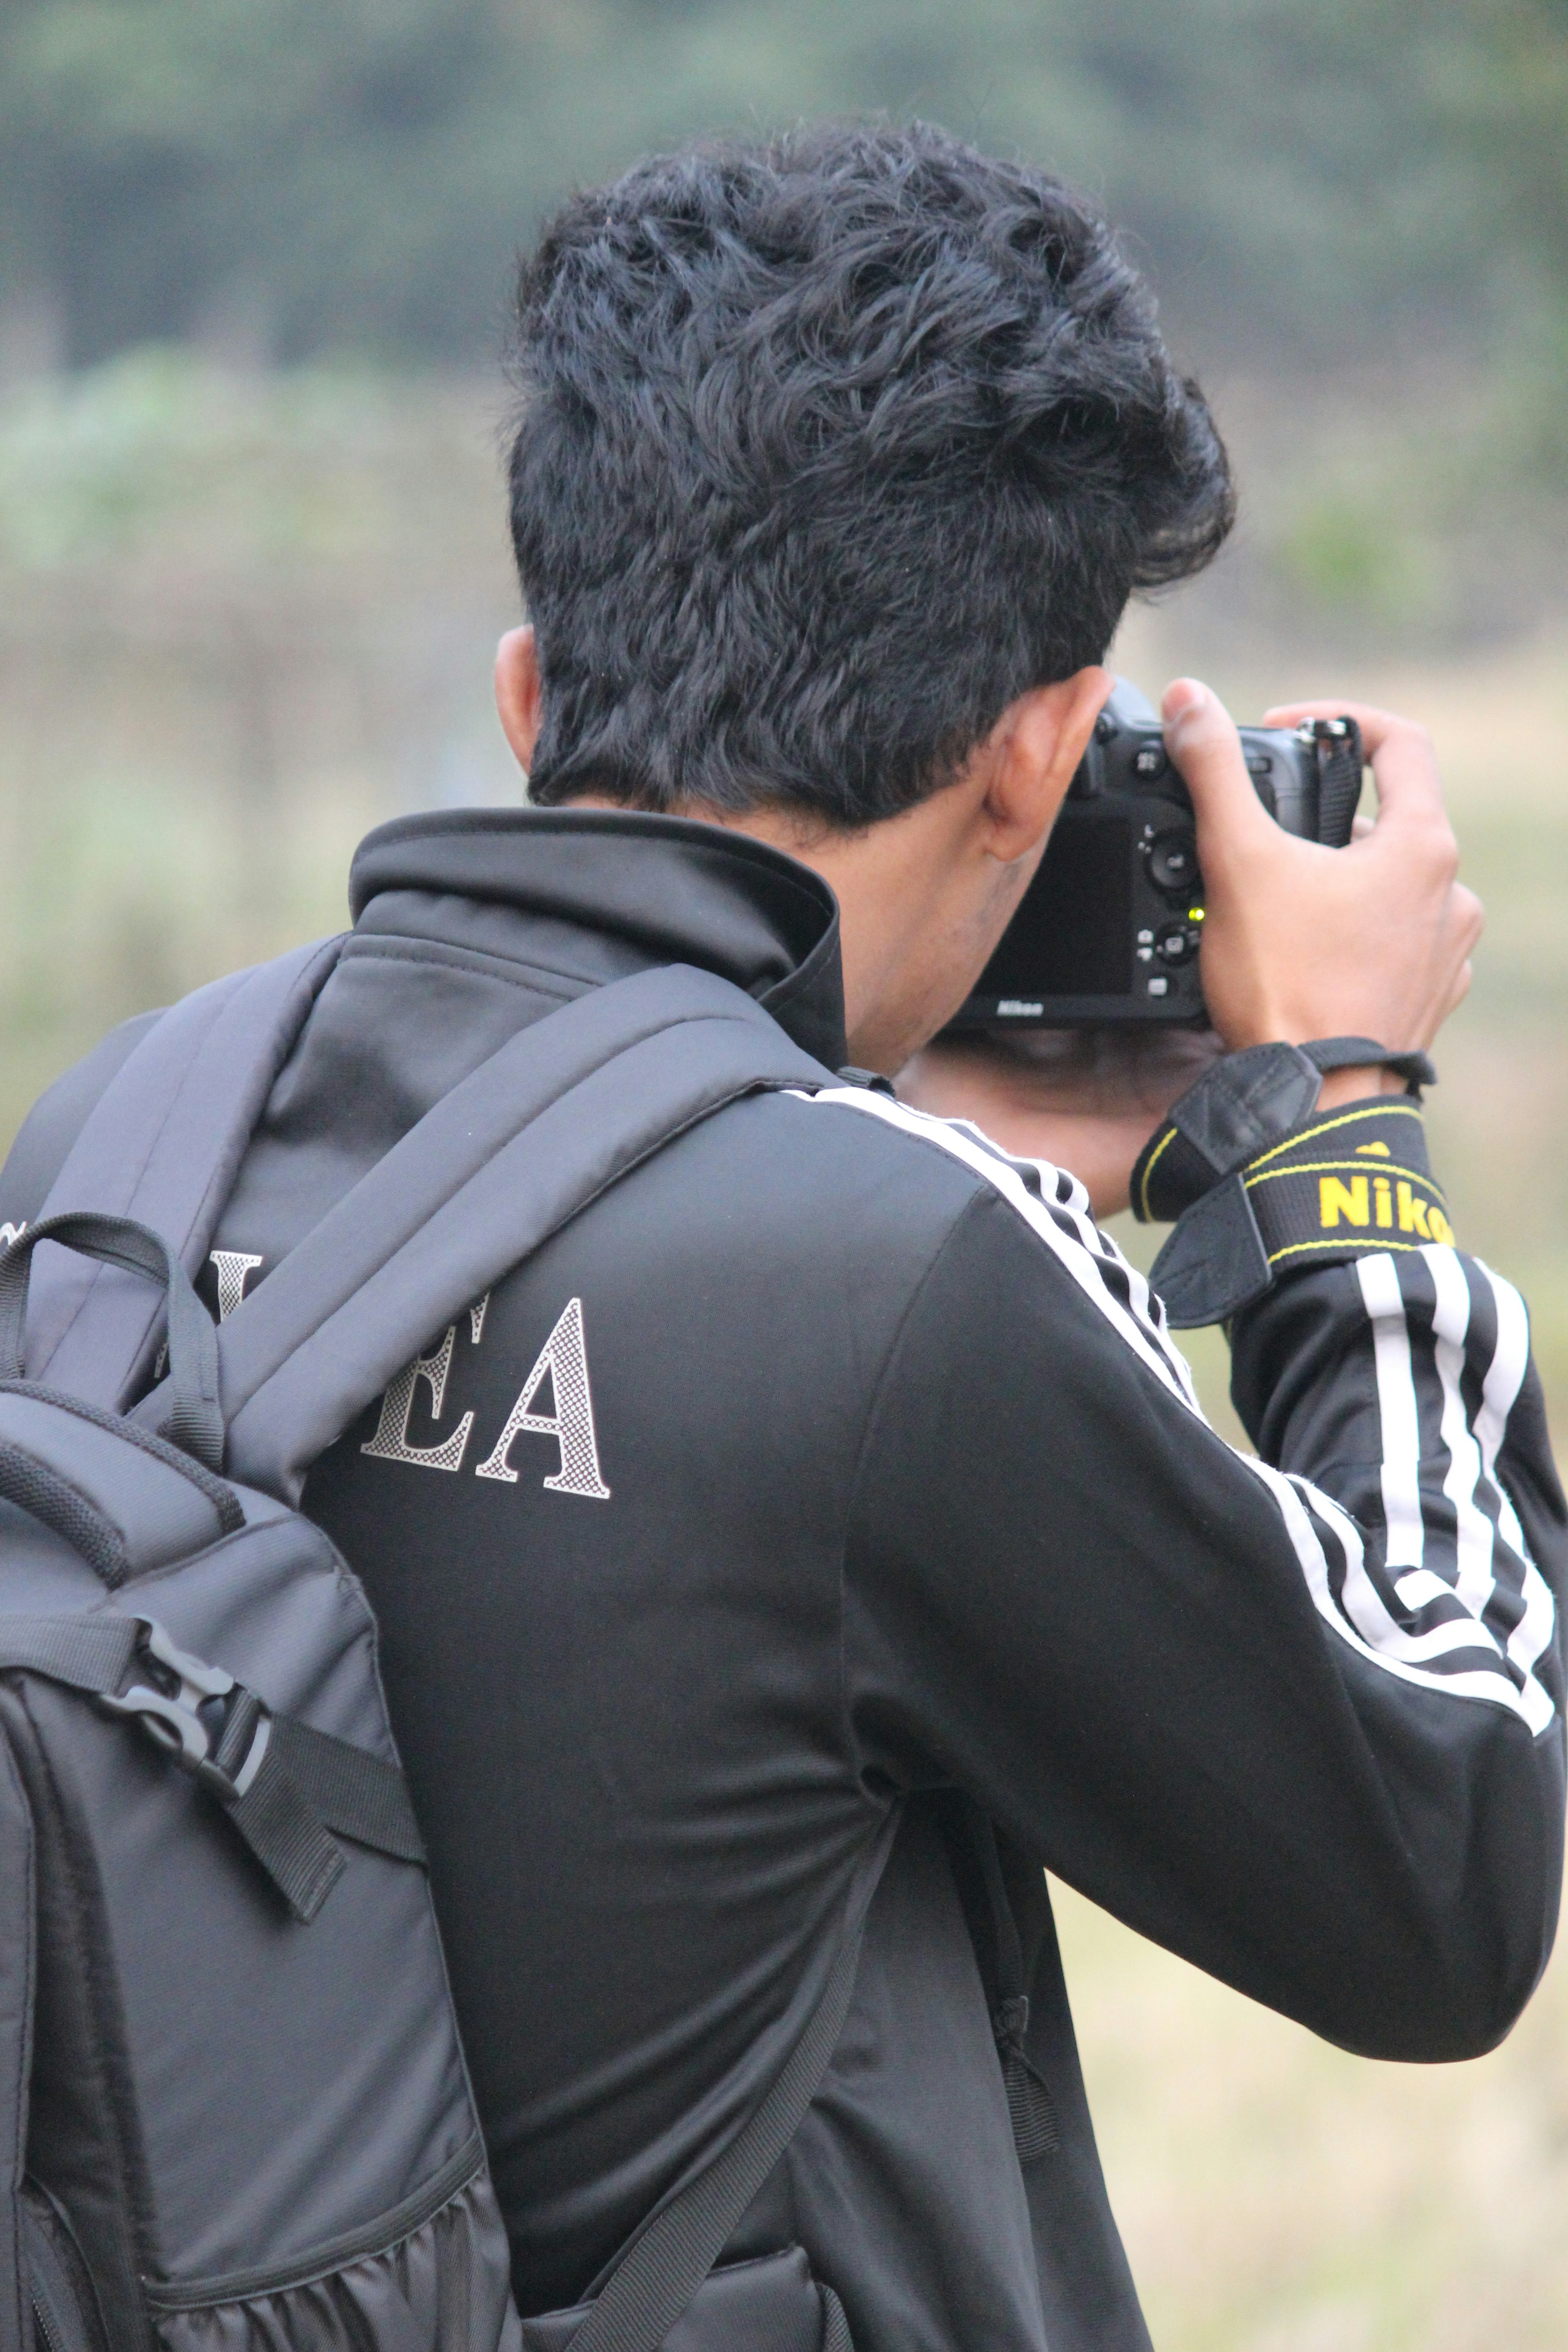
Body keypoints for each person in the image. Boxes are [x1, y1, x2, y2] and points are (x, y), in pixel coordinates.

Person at [2, 121, 1562, 2352]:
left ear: (535, 696)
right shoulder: (902, 1276)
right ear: (1032, 763)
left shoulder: (120, 1131)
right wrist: (1341, 1138)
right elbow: (1447, 1864)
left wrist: (870, 1121)